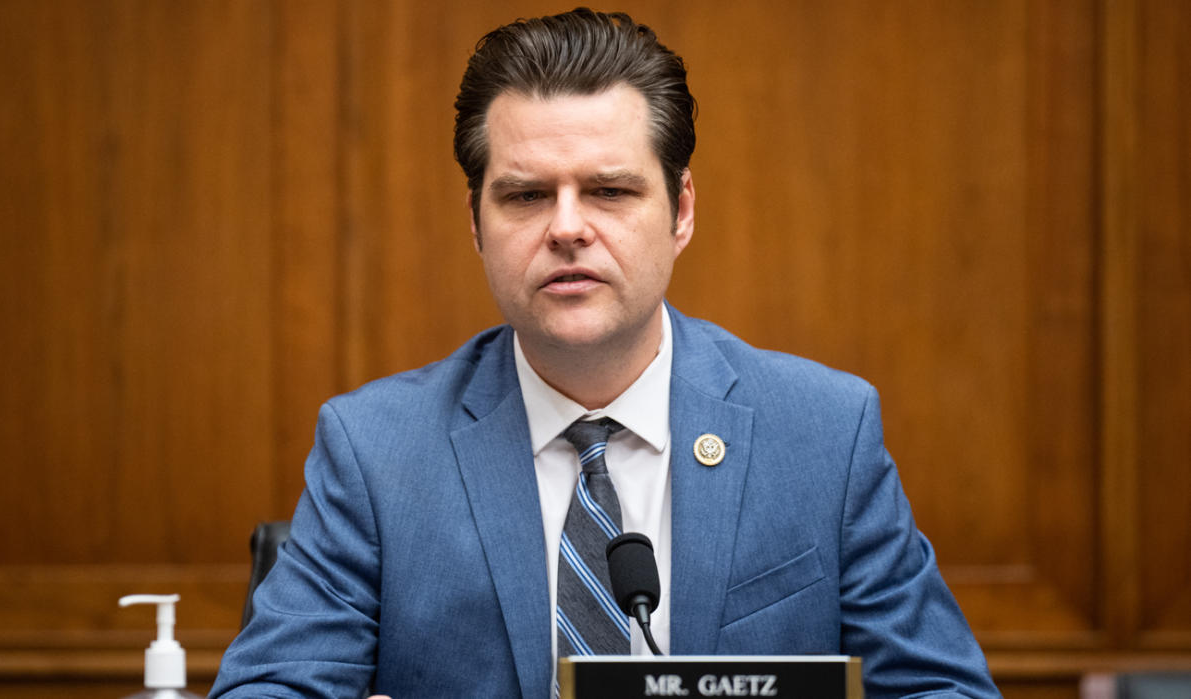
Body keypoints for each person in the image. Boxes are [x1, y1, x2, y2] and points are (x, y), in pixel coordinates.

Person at [210, 8, 1000, 698]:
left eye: (610, 191)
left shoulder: (823, 433)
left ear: (680, 209)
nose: (566, 228)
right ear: (476, 223)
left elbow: (941, 687)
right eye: (525, 195)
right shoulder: (377, 451)